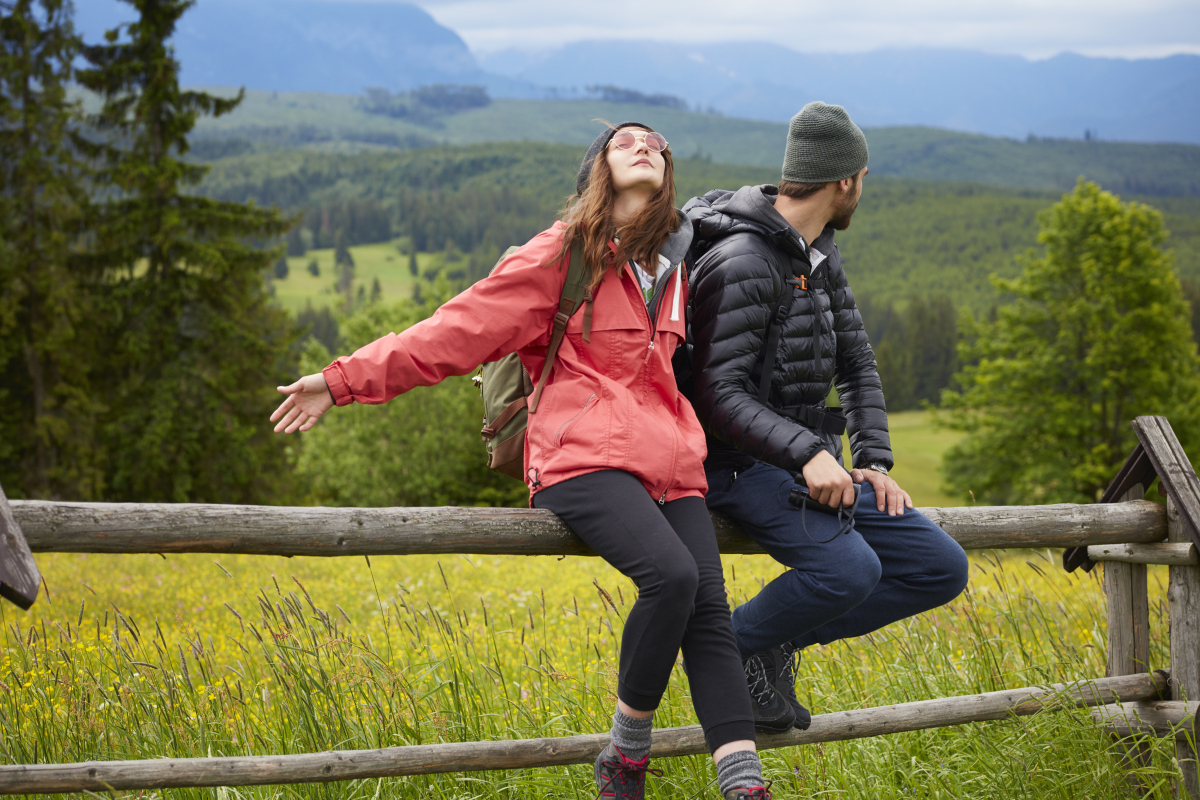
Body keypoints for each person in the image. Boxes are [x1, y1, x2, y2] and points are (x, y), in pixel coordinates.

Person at [270, 122, 772, 800]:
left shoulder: (671, 268)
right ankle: (625, 757)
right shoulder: (560, 255)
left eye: (656, 142)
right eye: (624, 141)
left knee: (709, 612)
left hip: (671, 461)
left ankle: (744, 786)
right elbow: (452, 332)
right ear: (597, 170)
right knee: (673, 578)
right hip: (581, 459)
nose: (644, 146)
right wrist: (340, 381)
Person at [681, 102, 970, 733]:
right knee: (852, 570)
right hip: (732, 464)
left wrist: (873, 462)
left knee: (940, 568)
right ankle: (732, 647)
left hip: (799, 461)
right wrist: (808, 453)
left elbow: (858, 364)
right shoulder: (744, 260)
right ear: (845, 180)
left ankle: (775, 640)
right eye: (863, 178)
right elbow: (716, 393)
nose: (863, 189)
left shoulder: (817, 254)